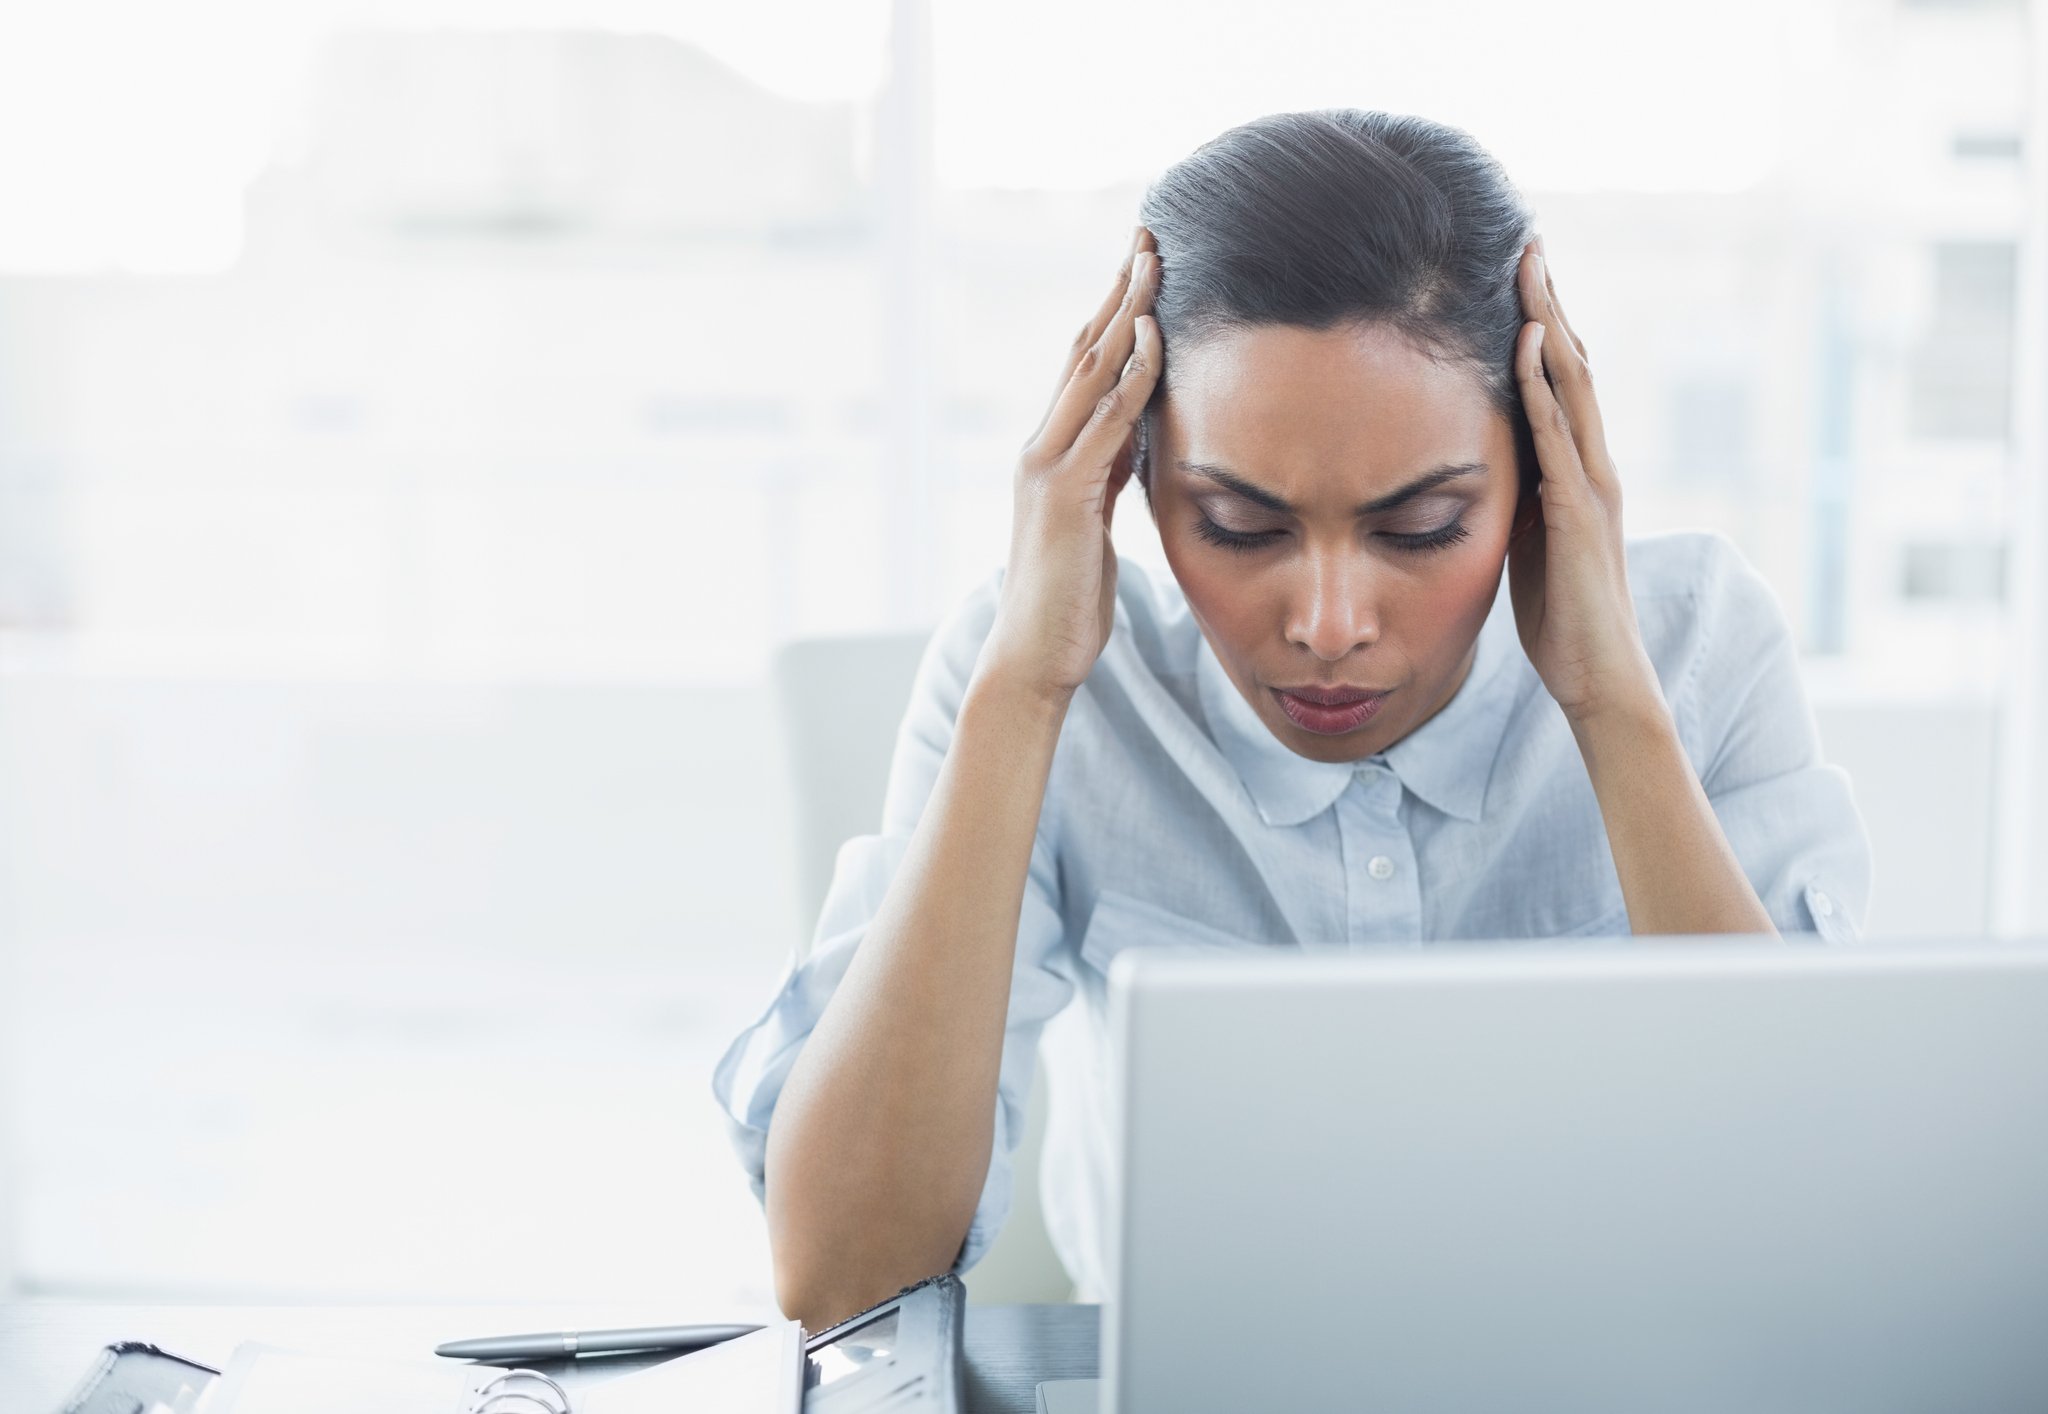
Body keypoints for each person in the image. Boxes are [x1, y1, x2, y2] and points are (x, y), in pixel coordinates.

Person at [711, 109, 1872, 1331]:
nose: (1327, 624)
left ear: (1541, 477)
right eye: (1239, 527)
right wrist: (1024, 695)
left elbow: (1813, 1229)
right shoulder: (1051, 684)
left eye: (1419, 529)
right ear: (1130, 480)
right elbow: (843, 1274)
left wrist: (1612, 705)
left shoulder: (1694, 647)